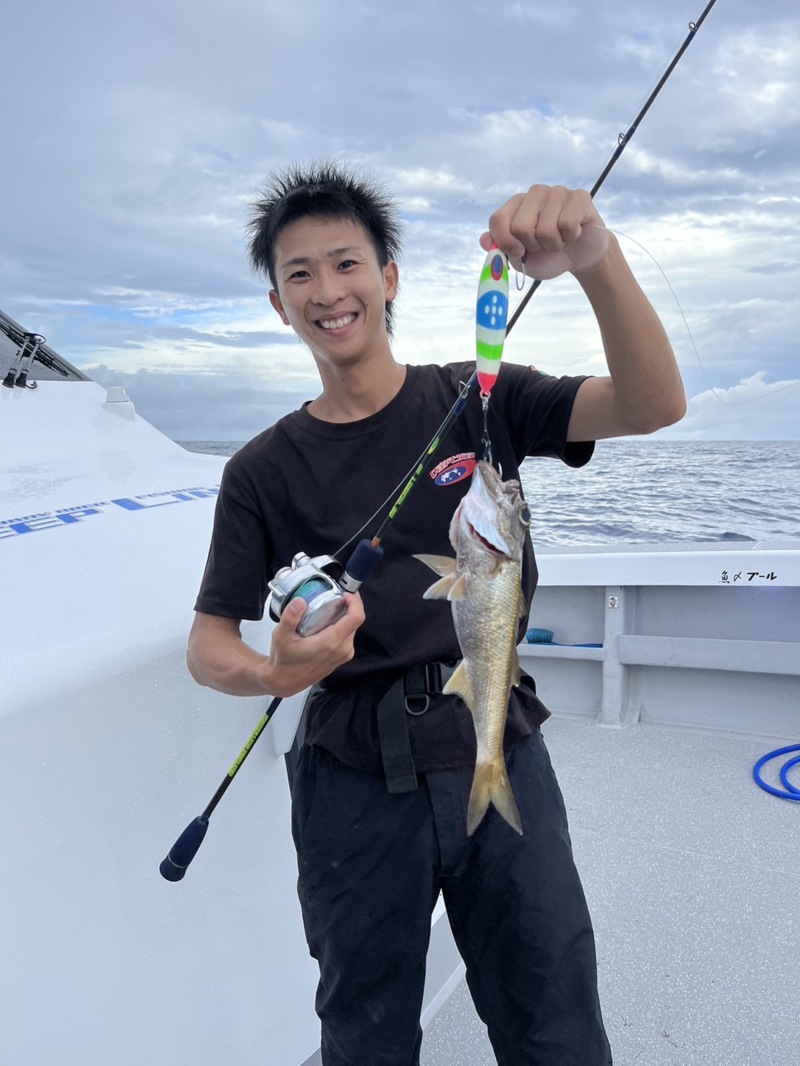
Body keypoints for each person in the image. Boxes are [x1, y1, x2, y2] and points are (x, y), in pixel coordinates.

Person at [187, 161, 685, 1066]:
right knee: (365, 1028)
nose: (327, 290)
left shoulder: (481, 399)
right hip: (350, 769)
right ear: (278, 304)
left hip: (495, 733)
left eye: (347, 263)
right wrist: (272, 672)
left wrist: (596, 260)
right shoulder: (259, 470)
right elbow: (208, 645)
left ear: (389, 278)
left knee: (555, 1016)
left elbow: (653, 405)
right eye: (300, 274)